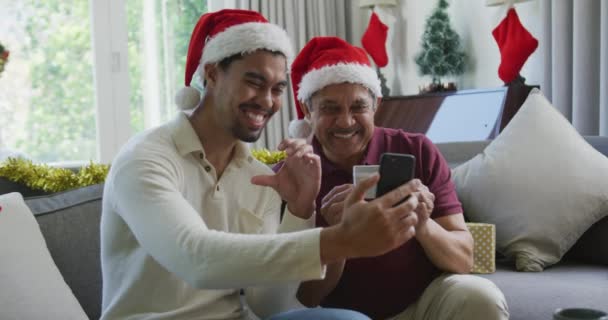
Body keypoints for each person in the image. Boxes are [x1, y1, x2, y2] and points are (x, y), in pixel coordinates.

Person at [100, 10, 420, 320]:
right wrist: (341, 239)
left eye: (278, 89)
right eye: (254, 81)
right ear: (211, 73)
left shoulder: (261, 179)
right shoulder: (145, 159)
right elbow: (195, 258)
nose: (267, 101)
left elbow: (269, 306)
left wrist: (299, 210)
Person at [286, 36, 510, 320]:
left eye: (358, 107)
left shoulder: (416, 150)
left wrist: (422, 223)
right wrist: (338, 238)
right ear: (307, 110)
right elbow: (305, 297)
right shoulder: (296, 174)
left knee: (480, 297)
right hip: (339, 314)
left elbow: (464, 259)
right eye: (330, 109)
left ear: (376, 104)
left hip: (421, 303)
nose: (345, 122)